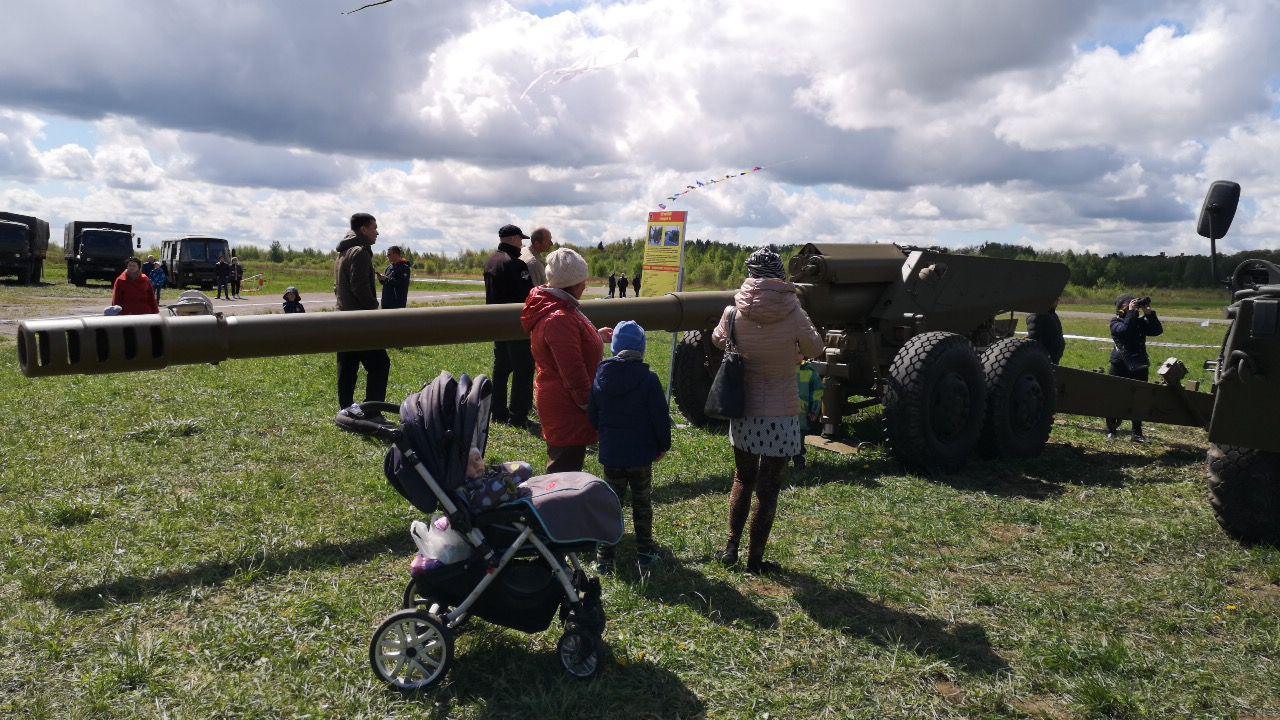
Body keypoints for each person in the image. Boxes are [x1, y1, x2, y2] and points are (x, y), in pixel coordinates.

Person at [712, 248, 823, 574]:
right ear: (779, 275)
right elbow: (814, 347)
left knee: (743, 479)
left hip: (744, 410)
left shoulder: (733, 311)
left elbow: (719, 341)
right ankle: (755, 559)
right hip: (782, 415)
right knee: (769, 489)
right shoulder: (794, 311)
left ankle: (731, 546)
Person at [588, 320, 671, 574]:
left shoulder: (601, 376)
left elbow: (593, 414)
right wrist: (662, 446)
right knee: (642, 503)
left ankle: (605, 557)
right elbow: (660, 418)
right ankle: (645, 551)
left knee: (611, 504)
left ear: (614, 348)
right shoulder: (649, 379)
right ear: (642, 348)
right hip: (641, 456)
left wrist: (604, 435)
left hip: (612, 454)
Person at [520, 248, 612, 473]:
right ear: (573, 284)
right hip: (567, 407)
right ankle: (556, 507)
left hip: (564, 402)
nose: (585, 286)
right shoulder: (559, 318)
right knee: (564, 471)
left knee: (568, 464)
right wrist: (590, 406)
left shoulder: (558, 308)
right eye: (583, 281)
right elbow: (572, 370)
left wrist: (595, 338)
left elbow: (567, 348)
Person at [334, 213, 391, 416]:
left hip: (344, 319)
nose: (377, 232)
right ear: (364, 229)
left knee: (348, 365)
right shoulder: (359, 252)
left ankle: (346, 409)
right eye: (374, 228)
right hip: (360, 320)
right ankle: (372, 410)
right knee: (380, 364)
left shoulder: (345, 250)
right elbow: (359, 287)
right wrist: (372, 309)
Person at [484, 224, 536, 428]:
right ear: (514, 239)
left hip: (496, 322)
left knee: (502, 367)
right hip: (516, 324)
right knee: (523, 369)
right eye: (520, 240)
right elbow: (527, 296)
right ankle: (518, 415)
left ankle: (497, 411)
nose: (522, 244)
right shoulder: (515, 264)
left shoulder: (491, 262)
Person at [1107, 294, 1164, 441]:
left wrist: (1149, 314)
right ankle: (1112, 429)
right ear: (1121, 309)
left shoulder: (1139, 322)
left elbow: (1157, 330)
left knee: (1139, 398)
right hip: (1121, 364)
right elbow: (1125, 331)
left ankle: (1137, 432)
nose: (1134, 307)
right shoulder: (1115, 322)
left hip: (1139, 364)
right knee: (1114, 396)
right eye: (1129, 305)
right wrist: (1131, 312)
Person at [794, 354, 823, 468]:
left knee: (799, 439)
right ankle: (782, 462)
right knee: (784, 439)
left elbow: (817, 391)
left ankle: (799, 461)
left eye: (798, 352)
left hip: (801, 415)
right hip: (785, 414)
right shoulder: (782, 370)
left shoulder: (809, 371)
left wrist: (815, 409)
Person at [1027, 300, 1065, 364]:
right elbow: (1035, 340)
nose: (1058, 301)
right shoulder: (1037, 316)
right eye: (1055, 299)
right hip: (1044, 360)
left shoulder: (1053, 314)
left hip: (1054, 358)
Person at [378, 245, 412, 309]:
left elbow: (400, 284)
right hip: (386, 303)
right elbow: (386, 283)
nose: (387, 256)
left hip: (397, 304)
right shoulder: (389, 268)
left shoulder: (404, 268)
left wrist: (386, 279)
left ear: (396, 254)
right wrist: (381, 279)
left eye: (389, 254)